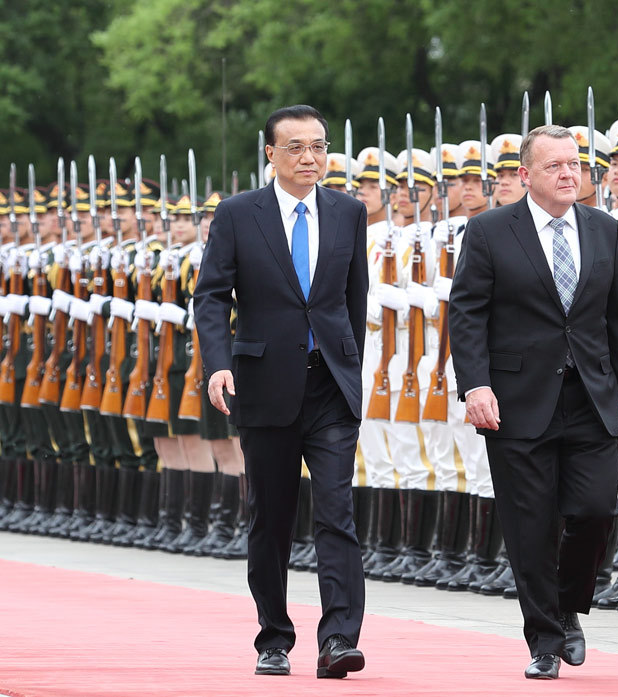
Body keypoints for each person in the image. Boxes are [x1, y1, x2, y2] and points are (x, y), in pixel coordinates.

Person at [449, 124, 618, 679]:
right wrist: (475, 384)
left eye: (574, 165)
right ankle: (543, 637)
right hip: (517, 400)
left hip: (591, 395)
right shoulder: (490, 232)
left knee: (593, 510)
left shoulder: (604, 230)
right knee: (530, 524)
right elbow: (466, 314)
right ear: (524, 175)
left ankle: (566, 606)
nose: (568, 174)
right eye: (555, 166)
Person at [194, 104, 368, 679]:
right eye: (295, 147)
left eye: (318, 146)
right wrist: (219, 364)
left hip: (330, 388)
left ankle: (339, 638)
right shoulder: (240, 214)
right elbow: (212, 296)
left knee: (338, 512)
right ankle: (274, 635)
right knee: (270, 518)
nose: (309, 157)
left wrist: (349, 366)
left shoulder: (347, 212)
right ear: (269, 153)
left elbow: (353, 299)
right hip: (264, 384)